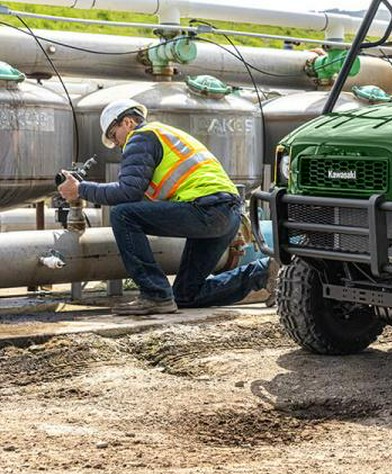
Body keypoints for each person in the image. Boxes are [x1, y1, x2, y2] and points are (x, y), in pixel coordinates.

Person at [57, 98, 276, 316]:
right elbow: (145, 196)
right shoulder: (164, 134)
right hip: (228, 213)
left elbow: (127, 192)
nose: (116, 144)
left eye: (114, 135)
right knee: (186, 295)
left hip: (206, 210)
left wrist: (81, 189)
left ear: (128, 122)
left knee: (122, 215)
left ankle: (155, 294)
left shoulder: (140, 137)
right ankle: (264, 272)